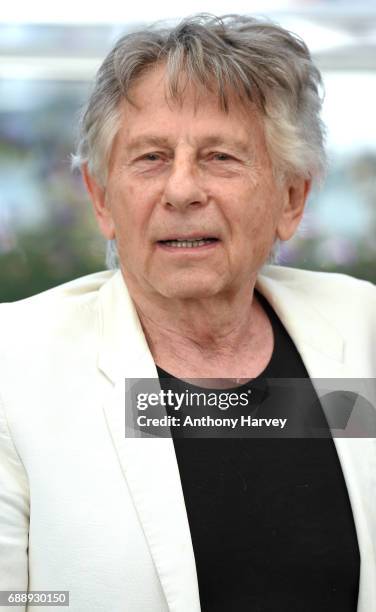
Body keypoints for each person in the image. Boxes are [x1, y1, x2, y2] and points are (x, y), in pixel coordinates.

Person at [0, 13, 375, 612]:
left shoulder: (362, 329)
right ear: (102, 198)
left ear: (291, 197)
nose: (181, 190)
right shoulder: (14, 365)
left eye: (221, 157)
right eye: (149, 158)